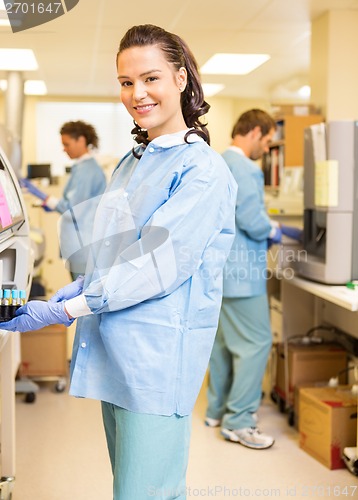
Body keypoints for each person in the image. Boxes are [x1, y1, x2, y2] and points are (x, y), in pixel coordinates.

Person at [2, 24, 237, 499]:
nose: (137, 94)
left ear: (181, 79)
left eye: (150, 78)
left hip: (155, 360)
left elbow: (156, 264)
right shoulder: (132, 160)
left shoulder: (202, 170)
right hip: (117, 350)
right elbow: (121, 246)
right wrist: (85, 281)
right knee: (132, 488)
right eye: (126, 82)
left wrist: (66, 309)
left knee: (145, 493)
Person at [205, 109, 282, 450]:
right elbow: (252, 219)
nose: (266, 149)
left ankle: (216, 410)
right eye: (266, 141)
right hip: (243, 274)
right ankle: (239, 422)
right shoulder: (247, 169)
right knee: (256, 343)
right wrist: (275, 229)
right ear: (254, 132)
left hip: (220, 273)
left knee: (222, 345)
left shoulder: (217, 162)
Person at [21, 120, 107, 279]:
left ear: (81, 140)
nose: (64, 149)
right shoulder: (82, 168)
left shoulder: (87, 170)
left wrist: (42, 195)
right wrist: (51, 204)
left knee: (82, 293)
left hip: (83, 244)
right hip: (80, 244)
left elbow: (72, 207)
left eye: (67, 144)